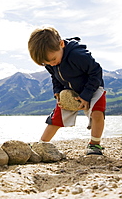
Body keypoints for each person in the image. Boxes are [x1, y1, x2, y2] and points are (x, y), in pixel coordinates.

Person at [28, 26, 106, 155]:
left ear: (61, 44)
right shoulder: (50, 61)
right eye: (46, 63)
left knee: (97, 113)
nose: (51, 64)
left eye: (53, 60)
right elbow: (55, 76)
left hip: (93, 86)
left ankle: (94, 145)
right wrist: (57, 91)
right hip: (69, 90)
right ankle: (41, 144)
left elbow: (96, 72)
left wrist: (86, 96)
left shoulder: (78, 55)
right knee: (56, 118)